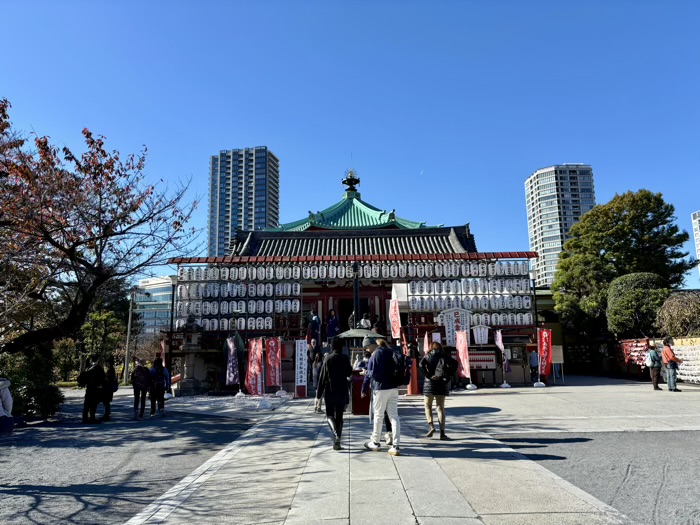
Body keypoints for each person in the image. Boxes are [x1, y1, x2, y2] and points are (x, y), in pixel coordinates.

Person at [361, 338, 401, 456]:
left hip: (380, 388)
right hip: (393, 387)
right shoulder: (390, 351)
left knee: (378, 415)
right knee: (394, 416)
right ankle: (396, 445)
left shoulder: (376, 354)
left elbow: (373, 373)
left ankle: (376, 442)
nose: (367, 350)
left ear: (372, 345)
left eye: (367, 347)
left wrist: (365, 373)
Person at [316, 337, 353, 450]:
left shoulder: (328, 358)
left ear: (331, 346)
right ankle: (338, 442)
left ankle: (335, 435)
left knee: (329, 415)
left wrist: (319, 394)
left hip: (330, 390)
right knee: (340, 416)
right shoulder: (345, 358)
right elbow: (349, 372)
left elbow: (322, 377)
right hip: (342, 389)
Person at [420, 342, 452, 439]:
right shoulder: (445, 356)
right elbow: (454, 364)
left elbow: (421, 365)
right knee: (440, 408)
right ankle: (442, 433)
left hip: (429, 384)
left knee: (428, 406)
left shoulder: (428, 356)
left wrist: (428, 375)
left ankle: (431, 426)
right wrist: (447, 376)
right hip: (442, 384)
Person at [79, 355, 106, 424]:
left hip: (89, 388)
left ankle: (84, 418)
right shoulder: (98, 368)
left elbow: (82, 376)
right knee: (94, 404)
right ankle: (92, 418)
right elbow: (103, 378)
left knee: (87, 403)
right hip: (95, 388)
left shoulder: (88, 367)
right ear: (97, 360)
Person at [102, 357, 118, 422]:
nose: (106, 364)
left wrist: (104, 378)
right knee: (106, 402)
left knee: (106, 401)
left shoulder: (110, 370)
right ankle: (107, 413)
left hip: (108, 388)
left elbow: (109, 379)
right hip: (109, 387)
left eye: (106, 363)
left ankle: (107, 414)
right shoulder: (111, 369)